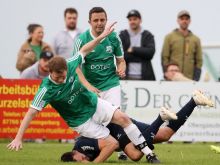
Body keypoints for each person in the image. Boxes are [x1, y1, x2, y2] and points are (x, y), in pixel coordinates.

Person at [7, 23, 156, 163]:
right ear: (49, 72)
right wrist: (18, 138)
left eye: (64, 76)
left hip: (92, 103)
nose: (62, 79)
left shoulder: (71, 63)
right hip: (80, 121)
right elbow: (31, 113)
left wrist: (102, 36)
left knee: (123, 118)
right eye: (58, 77)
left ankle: (149, 154)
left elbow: (85, 49)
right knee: (112, 143)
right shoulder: (46, 89)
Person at [60, 90, 214, 163]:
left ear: (74, 154)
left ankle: (160, 118)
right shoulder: (83, 153)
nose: (83, 161)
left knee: (135, 155)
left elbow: (111, 145)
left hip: (117, 127)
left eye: (80, 161)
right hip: (120, 125)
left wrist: (94, 163)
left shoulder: (82, 145)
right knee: (165, 134)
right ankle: (194, 101)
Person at [73, 7, 127, 160]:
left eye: (102, 20)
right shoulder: (81, 40)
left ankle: (122, 149)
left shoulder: (114, 38)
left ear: (106, 20)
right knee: (93, 122)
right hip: (90, 87)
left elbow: (121, 61)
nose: (99, 23)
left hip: (111, 84)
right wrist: (88, 86)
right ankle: (88, 149)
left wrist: (121, 69)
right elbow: (75, 67)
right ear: (89, 22)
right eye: (96, 20)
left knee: (117, 116)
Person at [161, 10, 202, 81]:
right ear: (177, 20)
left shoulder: (196, 39)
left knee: (195, 92)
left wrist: (196, 78)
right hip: (173, 78)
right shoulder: (169, 37)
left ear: (190, 21)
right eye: (182, 19)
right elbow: (164, 57)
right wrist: (167, 75)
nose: (184, 21)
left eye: (186, 19)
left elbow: (199, 60)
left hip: (189, 79)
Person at [119, 9, 156, 80]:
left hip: (145, 78)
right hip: (125, 78)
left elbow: (150, 53)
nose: (132, 21)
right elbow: (121, 56)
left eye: (135, 19)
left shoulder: (148, 35)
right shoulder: (123, 35)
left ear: (140, 20)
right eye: (130, 20)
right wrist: (142, 56)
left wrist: (133, 49)